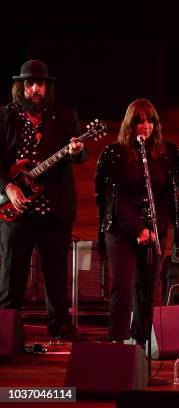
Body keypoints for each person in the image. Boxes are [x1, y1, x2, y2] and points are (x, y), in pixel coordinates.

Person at [0, 60, 86, 340]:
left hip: (54, 208)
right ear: (21, 87)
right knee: (11, 273)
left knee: (56, 274)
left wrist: (75, 150)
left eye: (40, 84)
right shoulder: (5, 117)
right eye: (29, 83)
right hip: (16, 209)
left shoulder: (64, 115)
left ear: (47, 87)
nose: (35, 89)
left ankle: (60, 326)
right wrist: (8, 188)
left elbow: (80, 157)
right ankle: (5, 331)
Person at [95, 98, 179, 345]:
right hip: (121, 229)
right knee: (123, 287)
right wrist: (137, 229)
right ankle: (117, 343)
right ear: (130, 125)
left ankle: (141, 342)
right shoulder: (115, 154)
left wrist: (158, 229)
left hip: (154, 229)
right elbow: (113, 198)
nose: (145, 126)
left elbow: (170, 195)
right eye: (139, 122)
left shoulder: (166, 153)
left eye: (150, 121)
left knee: (147, 288)